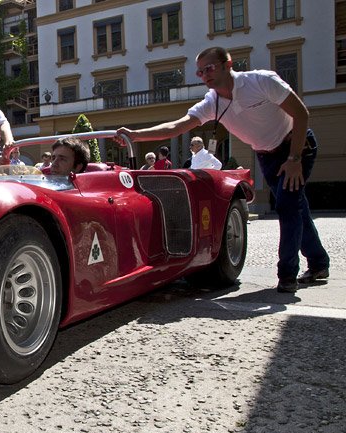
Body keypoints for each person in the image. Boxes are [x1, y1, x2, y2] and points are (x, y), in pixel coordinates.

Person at [116, 46, 329, 293]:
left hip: (296, 146)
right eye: (199, 72)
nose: (204, 75)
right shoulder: (212, 103)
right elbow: (177, 126)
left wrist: (294, 158)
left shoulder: (261, 81)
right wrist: (135, 135)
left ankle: (287, 276)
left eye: (209, 68)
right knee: (295, 205)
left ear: (228, 64)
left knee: (288, 205)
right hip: (266, 155)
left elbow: (301, 113)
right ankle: (319, 264)